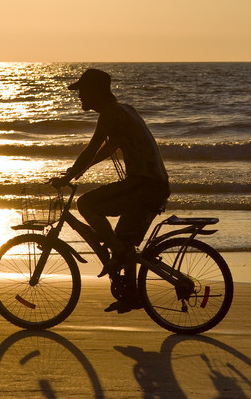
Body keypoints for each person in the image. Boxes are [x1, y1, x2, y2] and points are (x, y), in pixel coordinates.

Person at [51, 68, 170, 313]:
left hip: (144, 184)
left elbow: (92, 147)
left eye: (82, 91)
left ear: (96, 91)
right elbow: (107, 148)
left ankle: (115, 251)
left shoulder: (110, 114)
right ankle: (132, 295)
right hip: (155, 185)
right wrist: (79, 171)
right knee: (125, 239)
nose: (79, 96)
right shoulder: (125, 110)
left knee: (86, 204)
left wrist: (68, 177)